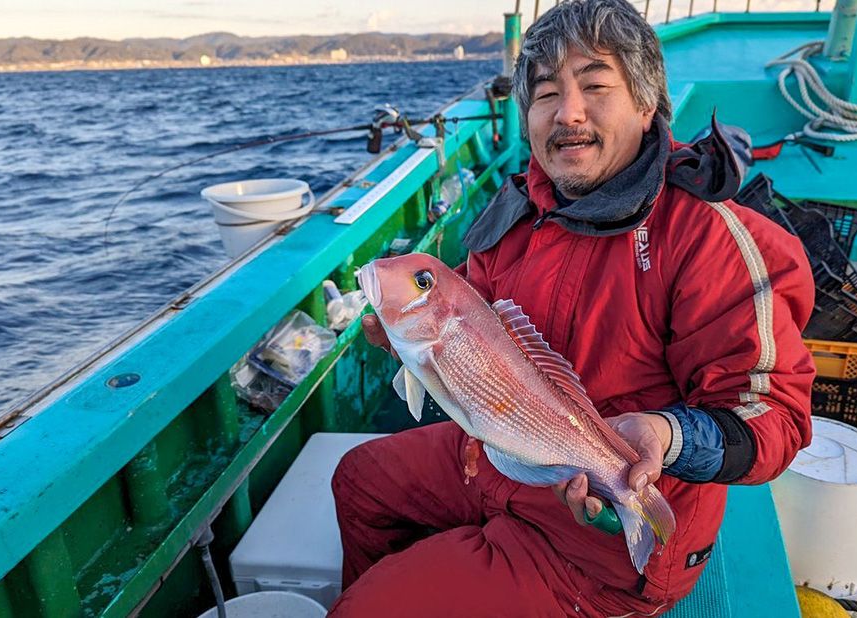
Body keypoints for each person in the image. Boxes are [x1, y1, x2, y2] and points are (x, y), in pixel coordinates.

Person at [330, 0, 815, 615]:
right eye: (545, 94)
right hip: (496, 449)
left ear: (646, 105)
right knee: (359, 480)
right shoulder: (513, 214)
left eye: (594, 85)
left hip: (599, 538)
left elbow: (773, 417)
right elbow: (475, 340)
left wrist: (666, 436)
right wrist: (407, 339)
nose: (568, 113)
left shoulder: (707, 238)